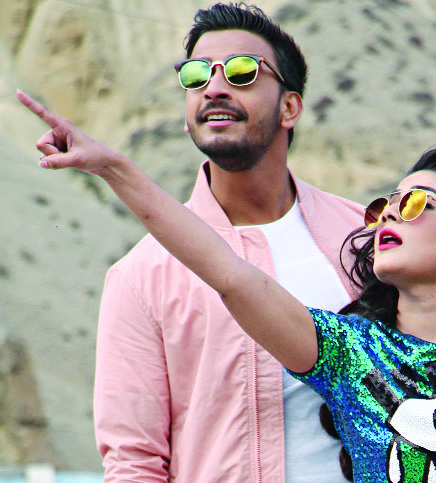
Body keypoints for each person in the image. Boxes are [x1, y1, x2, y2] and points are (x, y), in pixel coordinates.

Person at [18, 89, 436, 481]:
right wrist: (114, 169)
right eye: (385, 205)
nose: (390, 215)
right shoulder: (349, 354)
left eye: (417, 204)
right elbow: (229, 273)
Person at [46, 3, 361, 481]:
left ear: (290, 107)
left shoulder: (364, 237)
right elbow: (134, 463)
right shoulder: (141, 277)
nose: (214, 88)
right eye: (196, 76)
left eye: (242, 72)